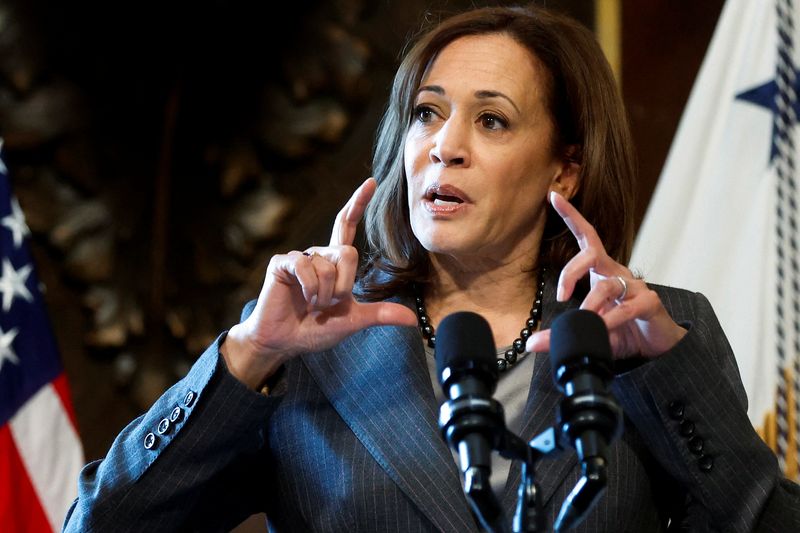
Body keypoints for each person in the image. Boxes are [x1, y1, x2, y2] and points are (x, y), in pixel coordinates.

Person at [63, 4, 800, 532]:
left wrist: (665, 372)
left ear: (565, 169)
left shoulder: (650, 333)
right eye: (427, 112)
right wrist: (251, 351)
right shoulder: (310, 345)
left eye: (492, 119)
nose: (444, 145)